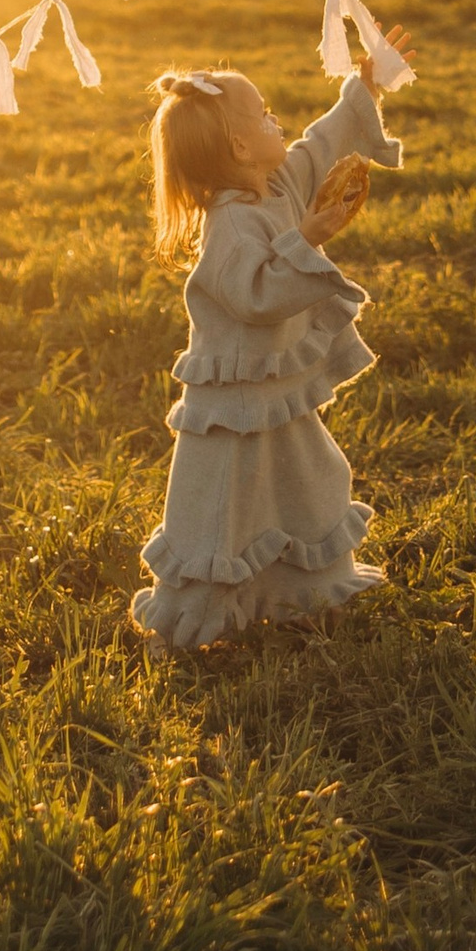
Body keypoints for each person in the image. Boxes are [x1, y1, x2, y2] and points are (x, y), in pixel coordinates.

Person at [130, 49, 410, 650]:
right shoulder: (230, 225)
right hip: (234, 402)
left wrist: (365, 90)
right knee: (222, 506)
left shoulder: (278, 183)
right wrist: (308, 236)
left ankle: (303, 592)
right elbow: (255, 296)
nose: (275, 122)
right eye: (263, 116)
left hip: (276, 395)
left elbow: (320, 145)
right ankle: (198, 616)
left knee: (309, 480)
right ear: (237, 148)